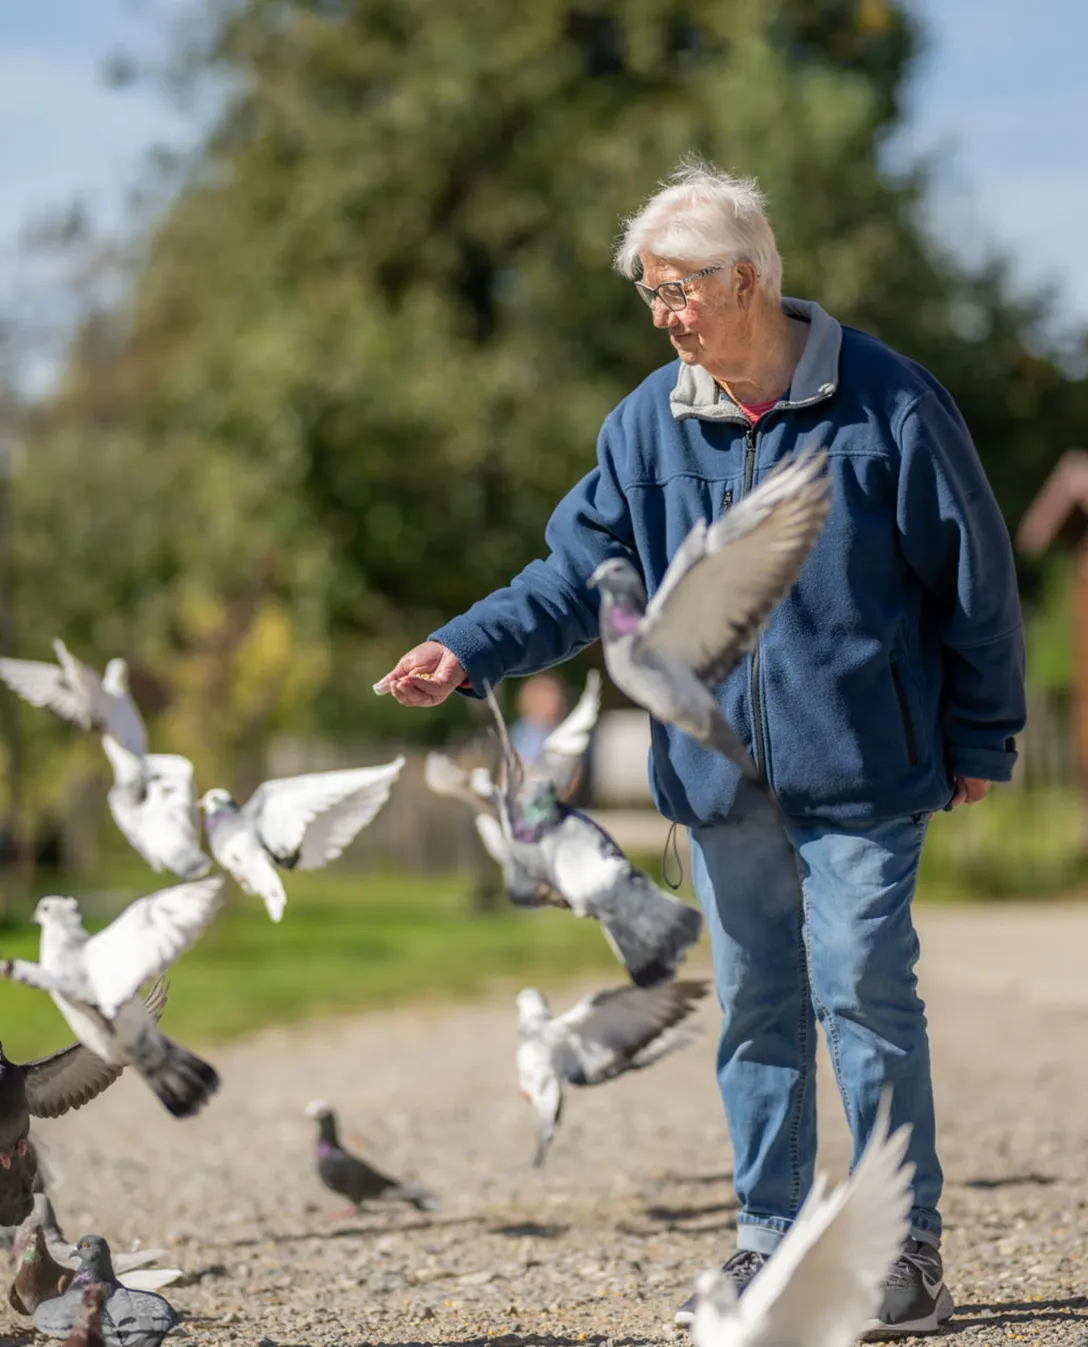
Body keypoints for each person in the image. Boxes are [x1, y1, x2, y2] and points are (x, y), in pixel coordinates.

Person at [377, 160, 1025, 1335]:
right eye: (651, 296)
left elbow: (971, 580)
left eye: (679, 290)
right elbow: (576, 580)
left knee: (866, 989)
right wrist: (467, 647)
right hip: (720, 784)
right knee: (755, 1007)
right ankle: (767, 1241)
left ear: (748, 278)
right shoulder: (646, 424)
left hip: (865, 766)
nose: (665, 316)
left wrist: (984, 730)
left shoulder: (890, 403)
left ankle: (901, 1250)